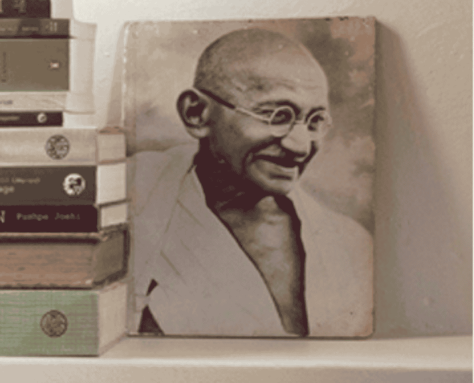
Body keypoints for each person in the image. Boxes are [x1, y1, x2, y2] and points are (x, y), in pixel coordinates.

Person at [132, 28, 373, 338]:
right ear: (197, 114)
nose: (300, 146)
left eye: (314, 122)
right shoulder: (134, 198)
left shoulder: (349, 245)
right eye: (277, 115)